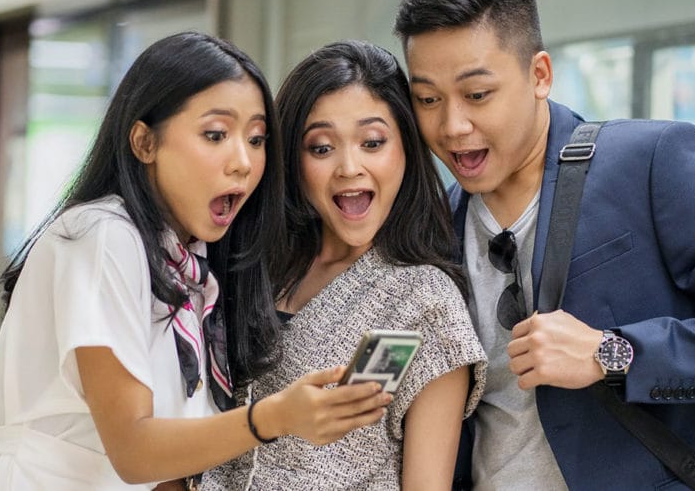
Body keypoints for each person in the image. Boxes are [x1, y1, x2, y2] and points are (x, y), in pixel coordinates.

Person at [393, 0, 695, 490]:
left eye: (477, 94)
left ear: (540, 75)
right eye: (428, 99)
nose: (452, 125)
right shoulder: (434, 229)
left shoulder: (651, 160)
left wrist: (611, 353)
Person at [0, 32, 392, 491]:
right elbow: (133, 449)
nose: (244, 162)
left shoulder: (191, 269)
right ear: (145, 142)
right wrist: (274, 418)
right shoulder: (102, 234)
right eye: (216, 134)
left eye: (257, 138)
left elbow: (166, 470)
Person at [204, 40, 487, 490]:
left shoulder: (418, 303)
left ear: (406, 151)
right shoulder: (248, 263)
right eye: (321, 148)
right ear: (291, 161)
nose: (349, 167)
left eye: (372, 142)